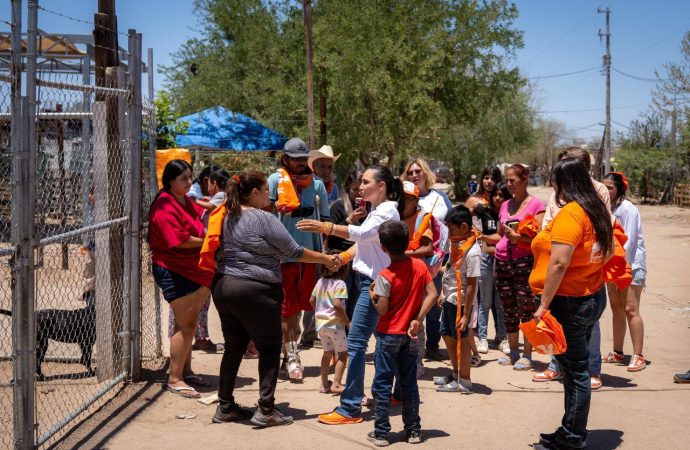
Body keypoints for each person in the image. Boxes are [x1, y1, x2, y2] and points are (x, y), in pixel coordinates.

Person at [209, 170, 338, 427]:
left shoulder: (225, 215)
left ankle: (225, 407)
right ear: (255, 193)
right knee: (269, 347)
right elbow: (294, 251)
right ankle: (266, 409)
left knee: (234, 347)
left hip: (225, 286)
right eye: (267, 191)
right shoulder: (263, 218)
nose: (271, 196)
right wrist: (325, 259)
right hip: (256, 288)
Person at [297, 165, 405, 425]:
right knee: (386, 341)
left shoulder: (387, 210)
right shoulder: (376, 211)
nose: (361, 185)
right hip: (370, 282)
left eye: (366, 181)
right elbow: (364, 244)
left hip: (374, 284)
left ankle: (350, 407)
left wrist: (326, 227)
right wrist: (342, 257)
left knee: (356, 343)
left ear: (381, 186)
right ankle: (394, 393)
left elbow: (364, 234)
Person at [531, 157, 613, 450]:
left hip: (569, 302)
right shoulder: (597, 211)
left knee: (576, 372)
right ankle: (570, 427)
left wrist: (543, 305)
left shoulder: (571, 214)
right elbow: (606, 253)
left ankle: (572, 437)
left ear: (561, 183)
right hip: (591, 295)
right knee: (572, 368)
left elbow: (559, 264)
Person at [367, 220, 438, 446]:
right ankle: (413, 430)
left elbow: (383, 309)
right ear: (407, 242)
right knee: (408, 384)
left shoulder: (385, 275)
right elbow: (433, 294)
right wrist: (417, 319)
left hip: (388, 335)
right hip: (409, 336)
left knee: (382, 384)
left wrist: (373, 296)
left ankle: (381, 432)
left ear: (383, 247)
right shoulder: (419, 265)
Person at [149, 159, 214, 399]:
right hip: (173, 270)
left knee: (189, 323)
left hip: (190, 268)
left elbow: (201, 212)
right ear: (170, 181)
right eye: (184, 178)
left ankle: (185, 372)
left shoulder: (184, 199)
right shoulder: (163, 205)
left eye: (190, 177)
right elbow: (180, 240)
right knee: (185, 324)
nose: (189, 182)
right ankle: (175, 378)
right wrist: (210, 242)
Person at [267, 137, 330, 381]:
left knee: (309, 306)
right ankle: (291, 355)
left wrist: (326, 256)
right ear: (286, 159)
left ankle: (293, 351)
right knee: (287, 310)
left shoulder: (316, 186)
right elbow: (267, 214)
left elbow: (326, 221)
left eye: (304, 159)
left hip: (310, 255)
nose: (301, 163)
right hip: (282, 255)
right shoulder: (275, 181)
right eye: (296, 159)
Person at [481, 164, 545, 370]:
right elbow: (500, 235)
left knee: (526, 308)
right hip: (502, 262)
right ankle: (513, 351)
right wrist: (484, 238)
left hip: (524, 262)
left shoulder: (536, 205)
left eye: (512, 181)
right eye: (507, 180)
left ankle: (527, 354)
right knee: (508, 309)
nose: (508, 184)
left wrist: (519, 238)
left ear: (525, 179)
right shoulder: (505, 205)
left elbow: (540, 238)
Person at [401, 158, 452, 360]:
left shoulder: (440, 197)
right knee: (412, 305)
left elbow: (452, 222)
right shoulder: (404, 198)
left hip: (436, 261)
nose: (415, 175)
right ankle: (412, 347)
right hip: (411, 260)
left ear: (426, 173)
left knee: (433, 305)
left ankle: (432, 345)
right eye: (411, 172)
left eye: (418, 171)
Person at [603, 171, 647, 372]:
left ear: (619, 188)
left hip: (631, 265)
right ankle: (618, 351)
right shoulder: (606, 208)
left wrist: (613, 261)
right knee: (616, 309)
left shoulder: (627, 209)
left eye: (610, 187)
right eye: (604, 187)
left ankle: (638, 355)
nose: (606, 190)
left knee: (631, 309)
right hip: (613, 265)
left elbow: (627, 242)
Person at [434, 206, 481, 393]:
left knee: (460, 340)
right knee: (447, 334)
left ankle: (465, 381)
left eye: (452, 228)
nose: (449, 232)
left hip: (461, 304)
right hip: (450, 299)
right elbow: (451, 269)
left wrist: (465, 315)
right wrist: (442, 293)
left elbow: (471, 285)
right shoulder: (457, 244)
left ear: (463, 227)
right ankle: (456, 374)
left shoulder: (473, 251)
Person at [466, 166, 508, 354]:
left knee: (499, 302)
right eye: (486, 178)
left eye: (493, 178)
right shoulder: (479, 204)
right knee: (483, 301)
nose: (488, 182)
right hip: (481, 256)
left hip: (502, 258)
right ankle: (480, 336)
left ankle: (502, 337)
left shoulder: (506, 208)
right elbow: (464, 220)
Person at [327, 169, 366, 320]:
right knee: (342, 300)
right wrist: (348, 220)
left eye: (361, 190)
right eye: (355, 189)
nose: (358, 194)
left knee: (356, 303)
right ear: (347, 188)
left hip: (360, 259)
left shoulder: (369, 208)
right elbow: (330, 237)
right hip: (343, 261)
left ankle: (349, 335)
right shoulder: (338, 206)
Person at [309, 252, 350, 394]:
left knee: (327, 354)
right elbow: (338, 305)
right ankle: (337, 384)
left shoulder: (320, 281)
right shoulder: (340, 283)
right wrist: (346, 321)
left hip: (321, 325)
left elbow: (312, 301)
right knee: (343, 355)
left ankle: (325, 384)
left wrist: (320, 311)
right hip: (335, 325)